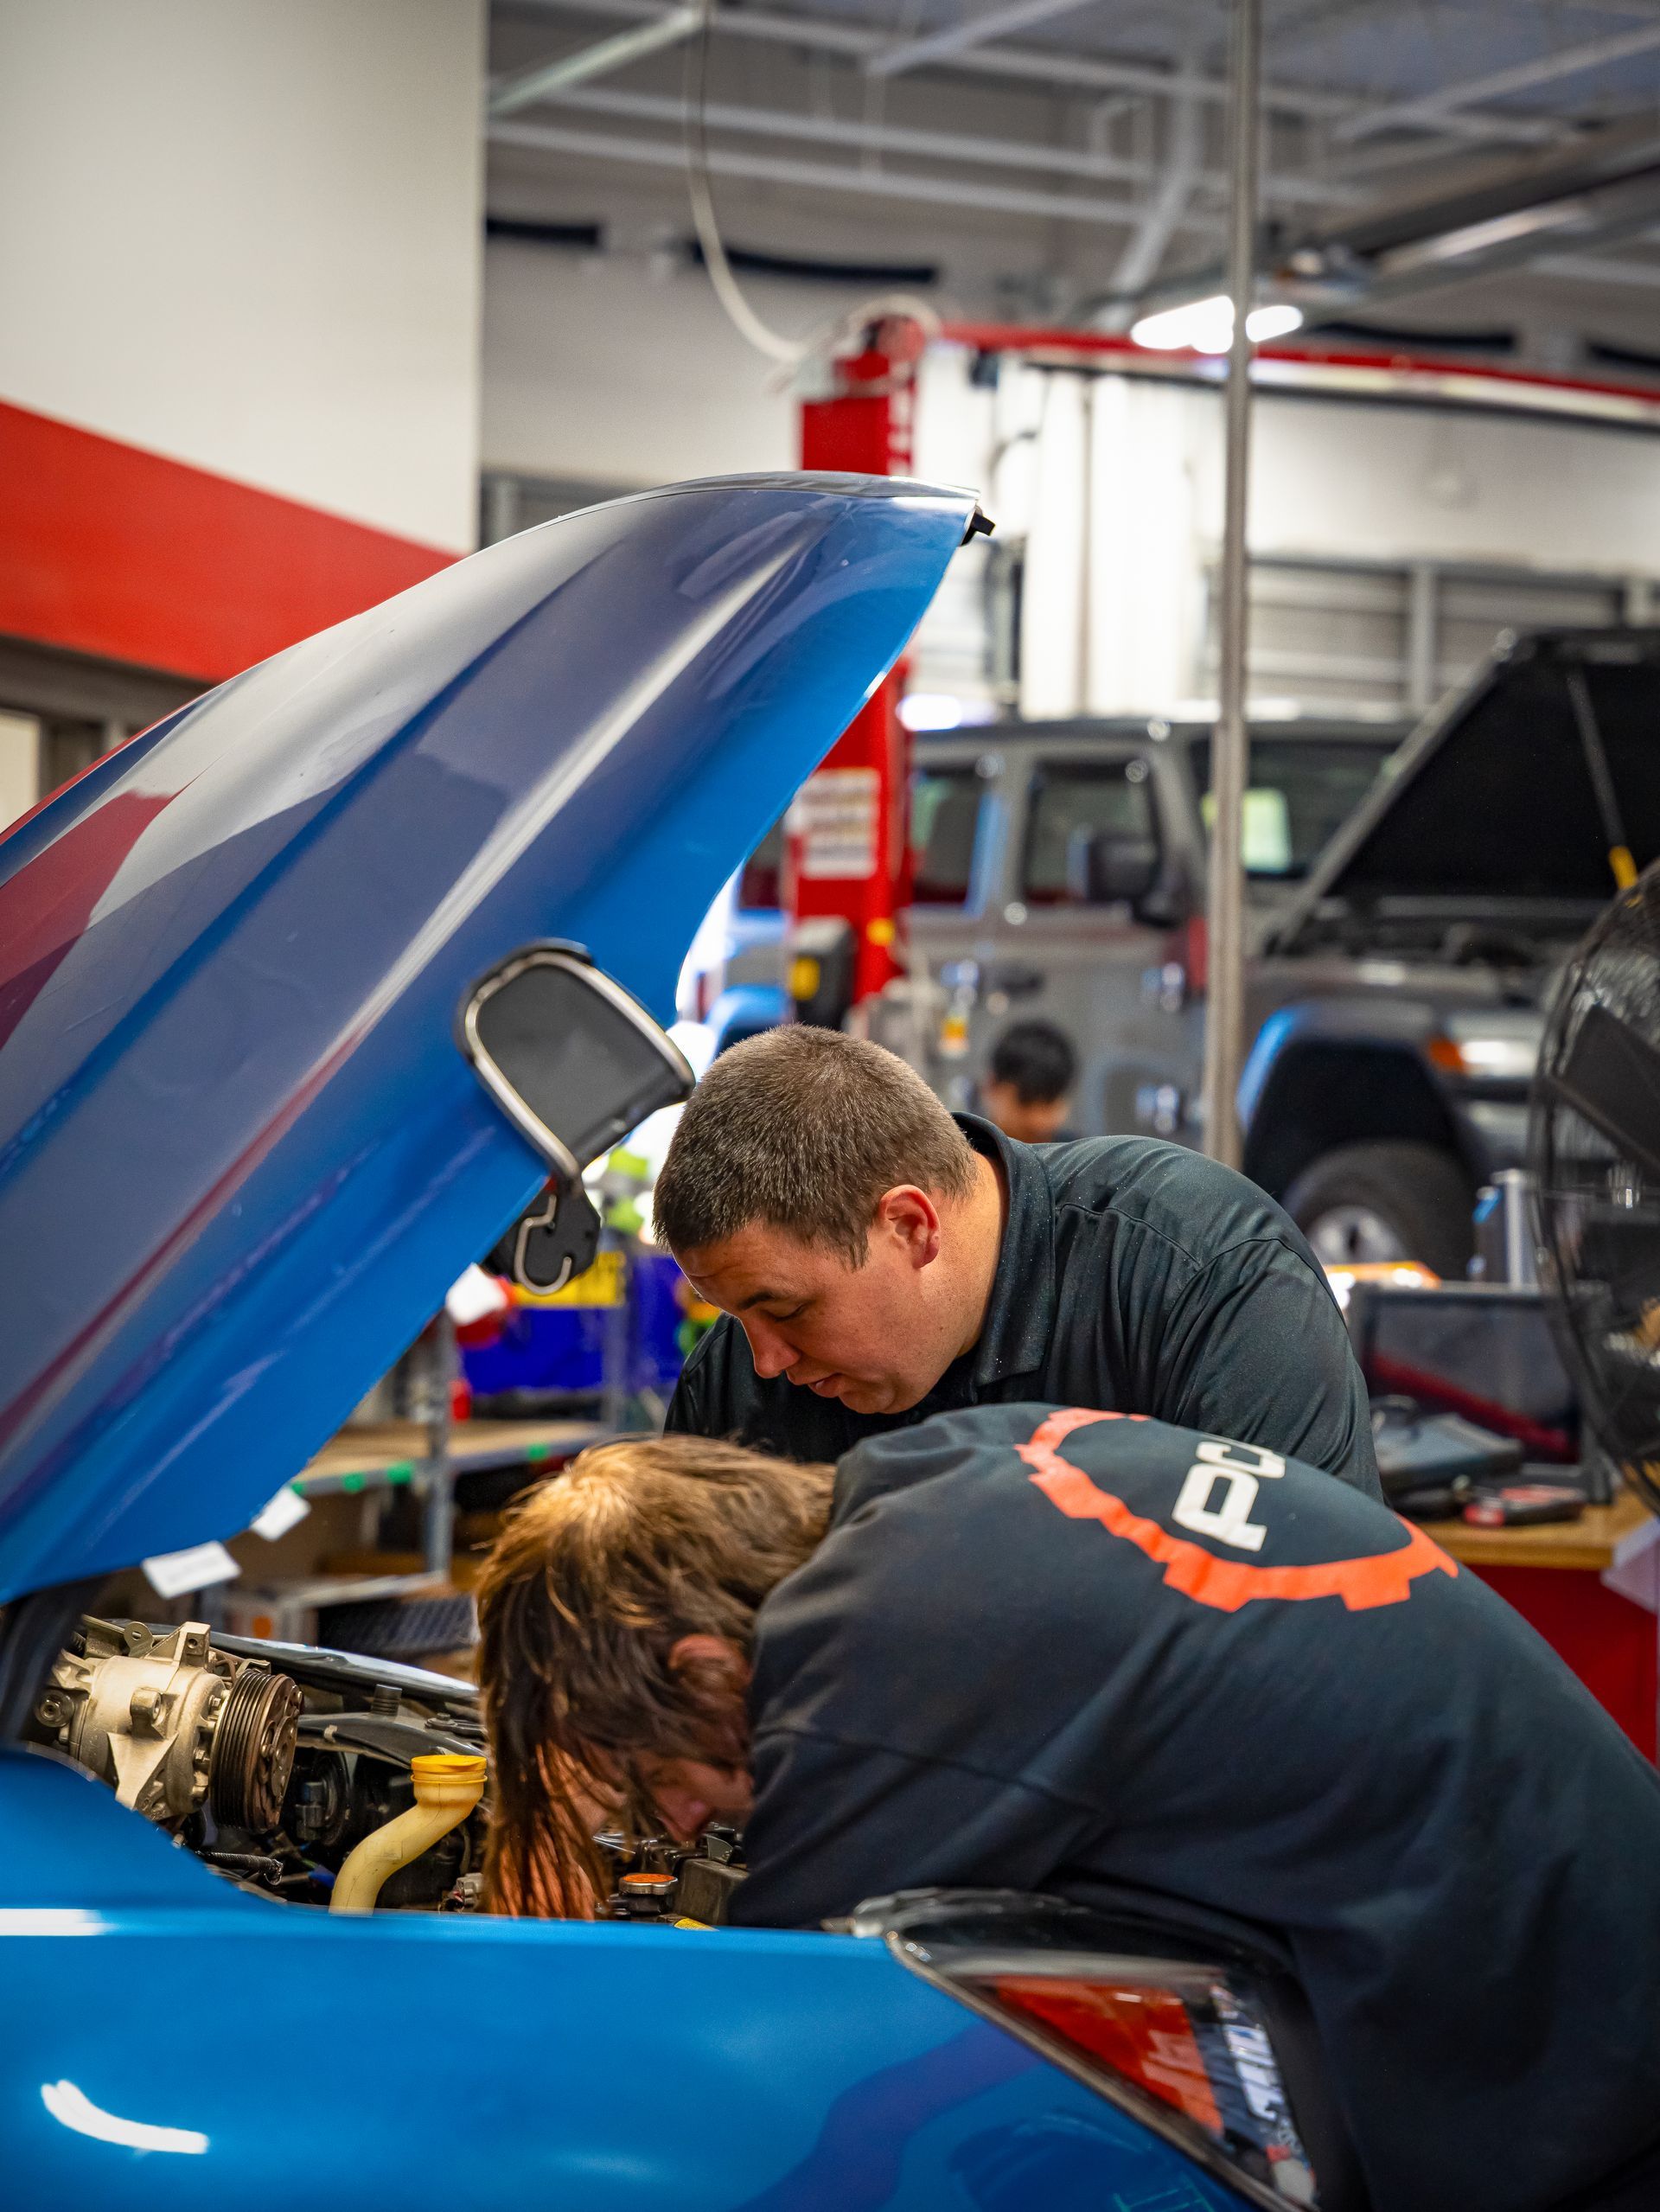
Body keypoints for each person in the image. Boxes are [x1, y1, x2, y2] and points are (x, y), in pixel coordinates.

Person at [476, 1414, 1660, 2212]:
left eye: (652, 1778)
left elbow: (769, 2061)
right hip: (1578, 1899)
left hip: (1569, 2061)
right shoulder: (928, 1479)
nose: (679, 1822)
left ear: (702, 1671)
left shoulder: (883, 1662)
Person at [654, 1026, 1380, 1495]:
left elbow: (1310, 1621)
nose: (767, 1361)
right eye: (736, 1315)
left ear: (910, 1226)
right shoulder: (737, 1382)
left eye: (786, 1309)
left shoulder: (1204, 1276)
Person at [980, 1016, 1077, 1143]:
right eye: (1026, 1101)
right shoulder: (965, 1154)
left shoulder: (1078, 1156)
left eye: (1049, 1102)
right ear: (992, 1086)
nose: (1037, 1120)